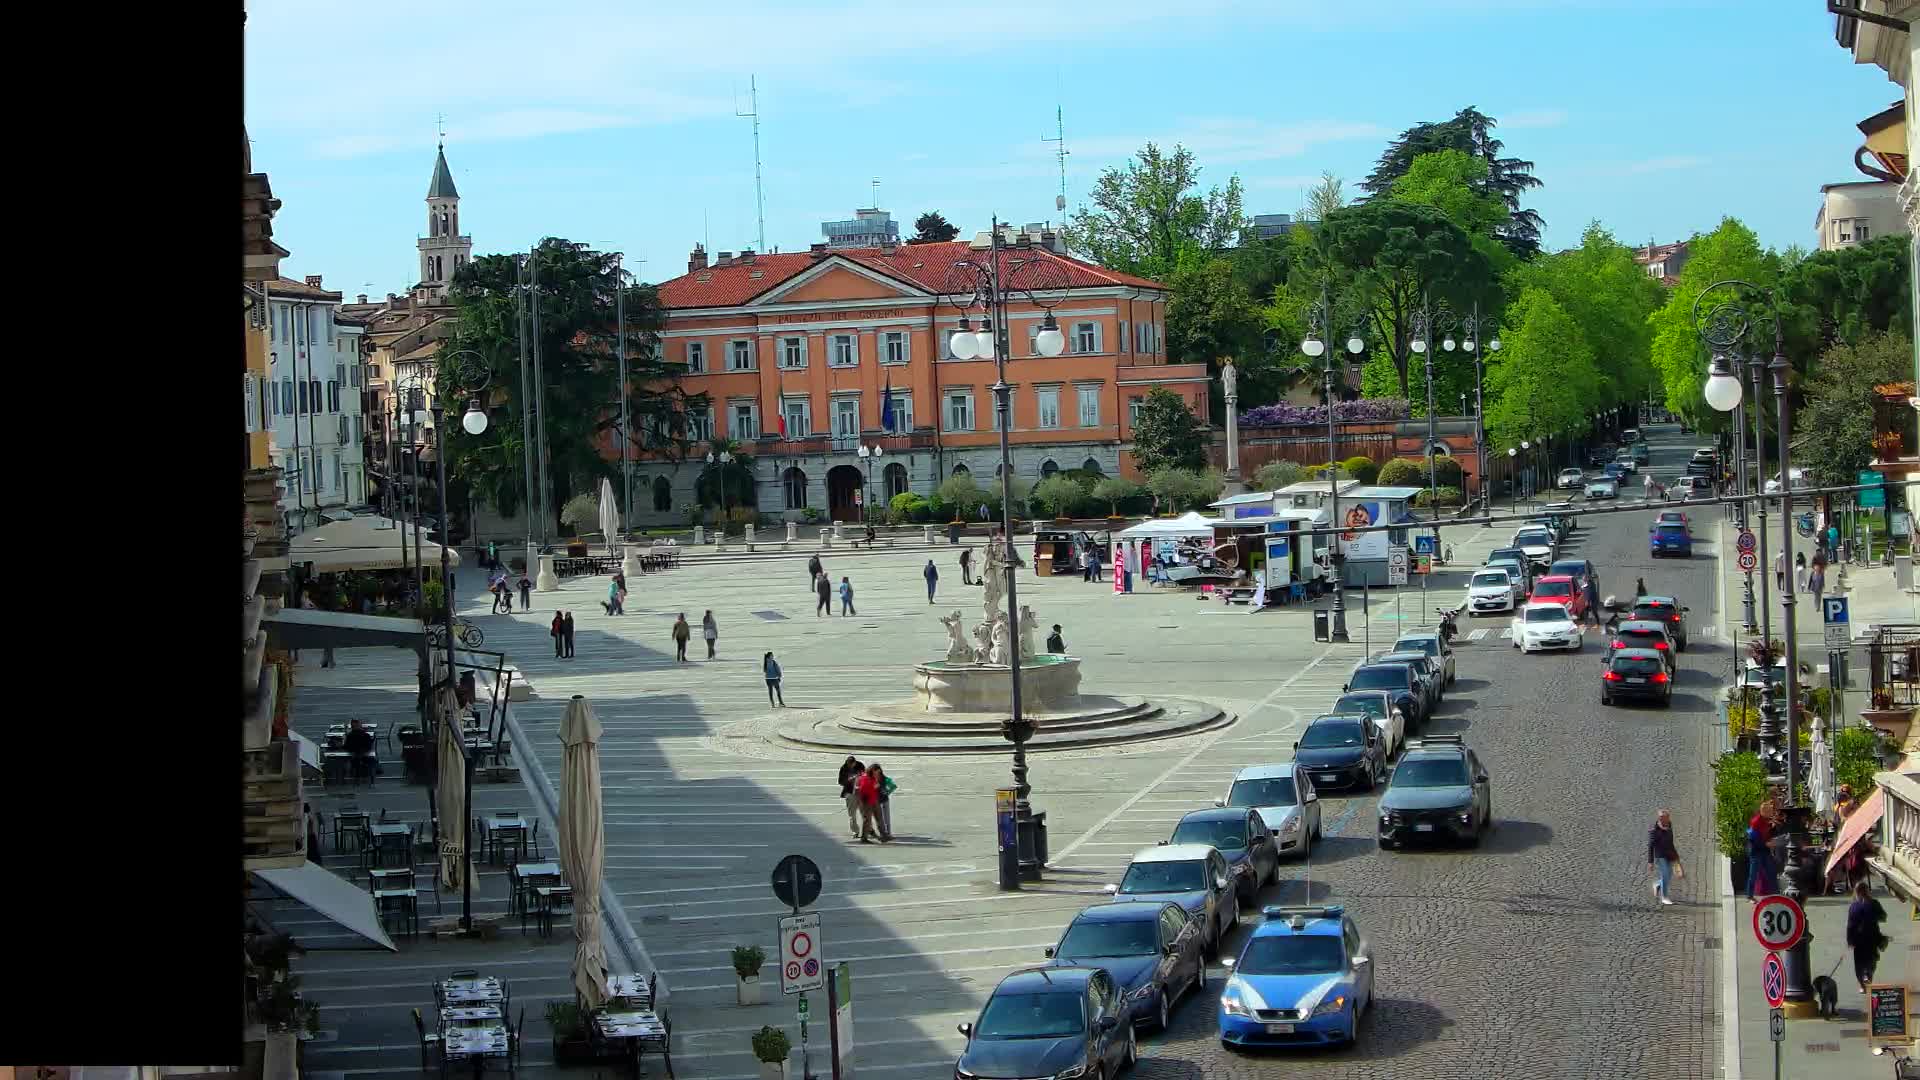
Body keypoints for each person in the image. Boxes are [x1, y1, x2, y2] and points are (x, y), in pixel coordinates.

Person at [1846, 880, 1890, 992]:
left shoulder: (1853, 906)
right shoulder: (1874, 903)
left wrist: (1850, 941)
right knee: (1872, 959)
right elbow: (1883, 917)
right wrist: (1874, 917)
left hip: (1858, 939)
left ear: (1856, 892)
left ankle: (1862, 985)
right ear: (1867, 891)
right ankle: (1868, 975)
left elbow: (1850, 925)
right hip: (1872, 936)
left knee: (1859, 963)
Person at [1646, 809, 1683, 906]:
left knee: (1669, 874)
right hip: (1660, 856)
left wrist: (1675, 855)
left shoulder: (1669, 824)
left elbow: (1671, 841)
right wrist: (1650, 862)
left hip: (1669, 854)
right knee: (1665, 873)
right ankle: (1664, 897)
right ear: (1660, 819)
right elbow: (1650, 845)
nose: (1669, 820)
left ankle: (1658, 884)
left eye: (1668, 817)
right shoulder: (1654, 830)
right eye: (1666, 818)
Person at [1745, 801, 1778, 900]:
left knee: (1771, 872)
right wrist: (1766, 844)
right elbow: (1753, 838)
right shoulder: (1756, 822)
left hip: (1765, 850)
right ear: (1765, 811)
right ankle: (1749, 895)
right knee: (1753, 874)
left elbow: (1769, 833)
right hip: (1756, 851)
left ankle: (1775, 893)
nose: (1771, 813)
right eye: (1770, 811)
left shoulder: (1767, 820)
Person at [836, 755, 865, 838]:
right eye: (849, 764)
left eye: (852, 764)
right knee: (852, 814)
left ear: (854, 763)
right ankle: (855, 831)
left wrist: (859, 777)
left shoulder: (860, 765)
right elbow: (840, 781)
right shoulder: (844, 768)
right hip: (849, 793)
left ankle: (867, 831)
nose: (850, 766)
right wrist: (848, 780)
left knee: (864, 813)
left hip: (860, 792)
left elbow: (865, 776)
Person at [854, 764, 882, 843]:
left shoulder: (872, 777)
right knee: (867, 820)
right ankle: (864, 838)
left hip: (871, 800)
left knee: (869, 819)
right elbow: (862, 789)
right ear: (873, 770)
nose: (878, 773)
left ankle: (872, 835)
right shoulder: (866, 778)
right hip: (866, 802)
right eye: (877, 772)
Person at [870, 762, 895, 842]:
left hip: (884, 799)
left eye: (878, 771)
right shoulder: (870, 779)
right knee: (879, 819)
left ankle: (888, 833)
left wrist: (887, 791)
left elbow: (891, 785)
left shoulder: (883, 778)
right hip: (876, 801)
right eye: (875, 771)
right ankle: (880, 833)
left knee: (886, 817)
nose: (877, 773)